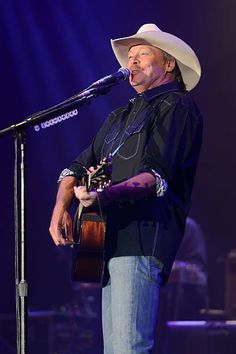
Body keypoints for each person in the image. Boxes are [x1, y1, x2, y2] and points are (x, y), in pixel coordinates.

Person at [49, 23, 203, 354]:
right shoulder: (119, 116)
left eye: (140, 54)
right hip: (107, 240)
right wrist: (60, 208)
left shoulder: (176, 106)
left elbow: (155, 176)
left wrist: (103, 195)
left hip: (140, 240)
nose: (129, 63)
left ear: (169, 63)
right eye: (128, 57)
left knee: (127, 349)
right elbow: (75, 167)